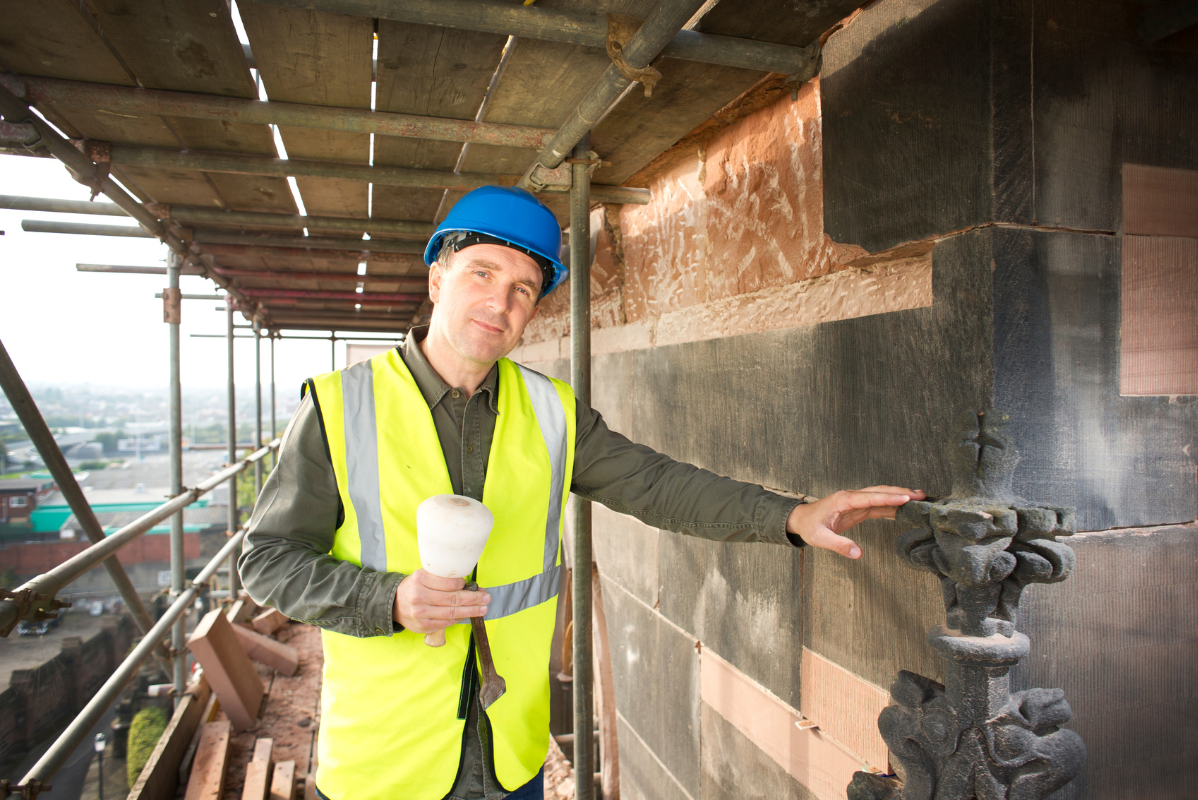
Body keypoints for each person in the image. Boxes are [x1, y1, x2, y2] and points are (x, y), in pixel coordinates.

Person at [238, 186, 924, 800]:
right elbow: (267, 559)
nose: (500, 302)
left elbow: (655, 485)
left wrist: (794, 516)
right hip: (386, 766)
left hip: (508, 757)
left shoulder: (552, 412)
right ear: (437, 275)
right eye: (482, 273)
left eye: (523, 289)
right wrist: (386, 599)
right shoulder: (340, 407)